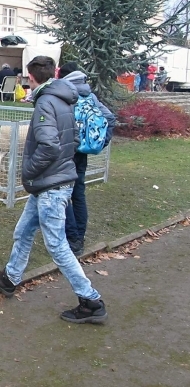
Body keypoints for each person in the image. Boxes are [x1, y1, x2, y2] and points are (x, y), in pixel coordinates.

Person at [0, 55, 108, 325]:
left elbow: (49, 146)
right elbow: (70, 140)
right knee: (23, 231)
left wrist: (29, 171)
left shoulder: (46, 103)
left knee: (58, 246)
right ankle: (10, 278)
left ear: (31, 77)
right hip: (51, 183)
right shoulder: (62, 100)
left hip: (50, 185)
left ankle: (91, 300)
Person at [57, 62, 116, 257]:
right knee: (78, 193)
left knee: (63, 194)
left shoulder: (67, 96)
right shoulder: (90, 96)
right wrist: (99, 142)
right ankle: (79, 236)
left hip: (67, 151)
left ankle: (73, 238)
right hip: (81, 152)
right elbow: (110, 118)